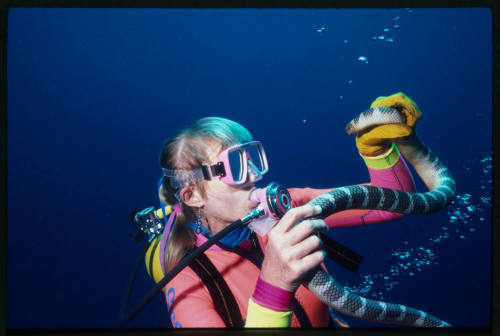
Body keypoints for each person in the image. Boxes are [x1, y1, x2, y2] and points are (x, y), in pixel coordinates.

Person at [149, 93, 422, 328]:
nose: (253, 177)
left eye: (252, 158)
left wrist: (376, 148)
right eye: (235, 166)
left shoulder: (283, 207)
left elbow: (397, 202)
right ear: (193, 195)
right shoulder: (186, 281)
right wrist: (275, 283)